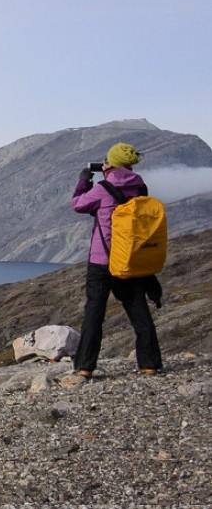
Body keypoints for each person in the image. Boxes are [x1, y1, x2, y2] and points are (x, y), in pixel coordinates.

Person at [69, 142, 162, 381]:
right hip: (128, 259)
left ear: (110, 163)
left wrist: (84, 181)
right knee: (138, 310)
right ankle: (149, 364)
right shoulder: (140, 187)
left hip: (102, 261)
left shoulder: (102, 189)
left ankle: (85, 367)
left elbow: (78, 205)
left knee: (94, 314)